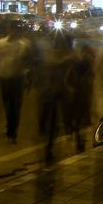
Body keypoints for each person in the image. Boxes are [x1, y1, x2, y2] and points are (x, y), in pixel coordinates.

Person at [0, 23, 31, 144]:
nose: (15, 33)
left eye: (18, 30)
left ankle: (13, 132)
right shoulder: (0, 44)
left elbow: (26, 63)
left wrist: (28, 78)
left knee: (16, 107)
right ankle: (10, 127)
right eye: (13, 30)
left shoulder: (24, 45)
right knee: (8, 105)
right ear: (9, 30)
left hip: (18, 79)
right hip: (4, 79)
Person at [38, 32, 75, 164]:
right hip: (58, 93)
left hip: (50, 93)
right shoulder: (69, 56)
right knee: (59, 120)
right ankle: (67, 130)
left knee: (50, 122)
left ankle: (49, 144)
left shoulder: (50, 55)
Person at [65, 43, 96, 153]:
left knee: (78, 118)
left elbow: (67, 79)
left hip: (79, 94)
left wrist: (71, 88)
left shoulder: (77, 64)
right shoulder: (86, 65)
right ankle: (79, 139)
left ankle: (77, 137)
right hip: (83, 95)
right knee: (82, 118)